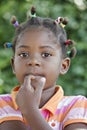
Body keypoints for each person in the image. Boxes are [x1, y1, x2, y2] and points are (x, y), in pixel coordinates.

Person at [0, 6, 87, 130]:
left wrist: (30, 111)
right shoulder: (3, 105)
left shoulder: (76, 105)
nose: (33, 61)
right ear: (14, 64)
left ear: (63, 65)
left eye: (46, 54)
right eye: (24, 54)